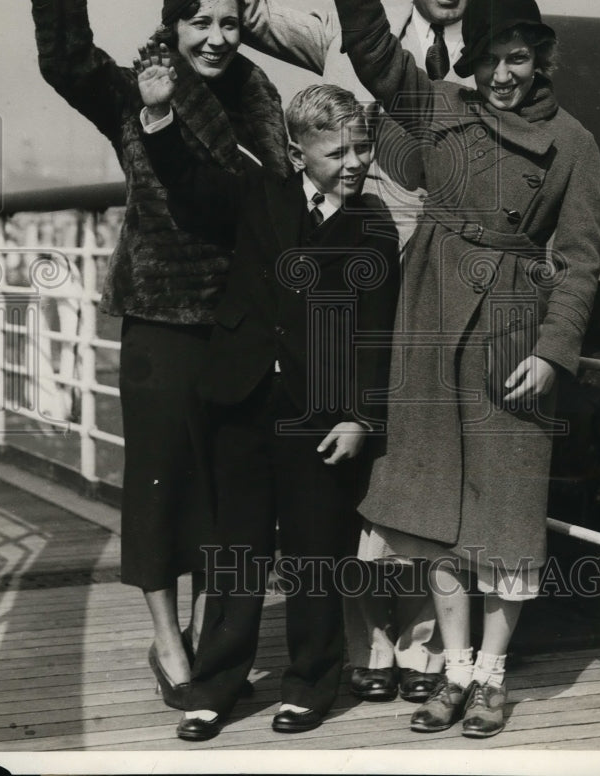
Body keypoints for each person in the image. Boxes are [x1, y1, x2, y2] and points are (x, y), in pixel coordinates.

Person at [175, 0, 487, 705]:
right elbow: (250, 10)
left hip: (447, 287)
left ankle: (426, 644)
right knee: (349, 483)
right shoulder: (355, 40)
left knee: (426, 465)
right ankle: (365, 644)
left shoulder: (495, 59)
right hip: (359, 283)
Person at [329, 0, 600, 738]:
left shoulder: (574, 144)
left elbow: (582, 260)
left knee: (505, 518)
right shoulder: (440, 107)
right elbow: (372, 52)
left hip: (512, 338)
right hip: (429, 325)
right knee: (433, 516)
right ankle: (449, 670)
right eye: (491, 57)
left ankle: (490, 674)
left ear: (540, 59)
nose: (505, 75)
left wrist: (552, 352)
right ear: (471, 59)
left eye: (520, 57)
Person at [18, 0, 289, 710]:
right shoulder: (135, 89)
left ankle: (214, 647)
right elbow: (66, 60)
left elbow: (256, 199)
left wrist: (174, 124)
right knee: (161, 487)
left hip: (237, 323)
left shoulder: (258, 100)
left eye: (228, 22)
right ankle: (168, 643)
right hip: (159, 325)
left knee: (230, 498)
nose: (214, 37)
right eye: (198, 22)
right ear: (172, 26)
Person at [139, 76, 401, 740]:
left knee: (316, 551)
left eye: (362, 150)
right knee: (236, 553)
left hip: (319, 415)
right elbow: (190, 184)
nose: (354, 164)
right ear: (295, 149)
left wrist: (361, 418)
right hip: (239, 400)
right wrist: (160, 114)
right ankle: (216, 685)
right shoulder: (261, 195)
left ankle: (312, 685)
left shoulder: (373, 223)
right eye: (337, 153)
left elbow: (376, 329)